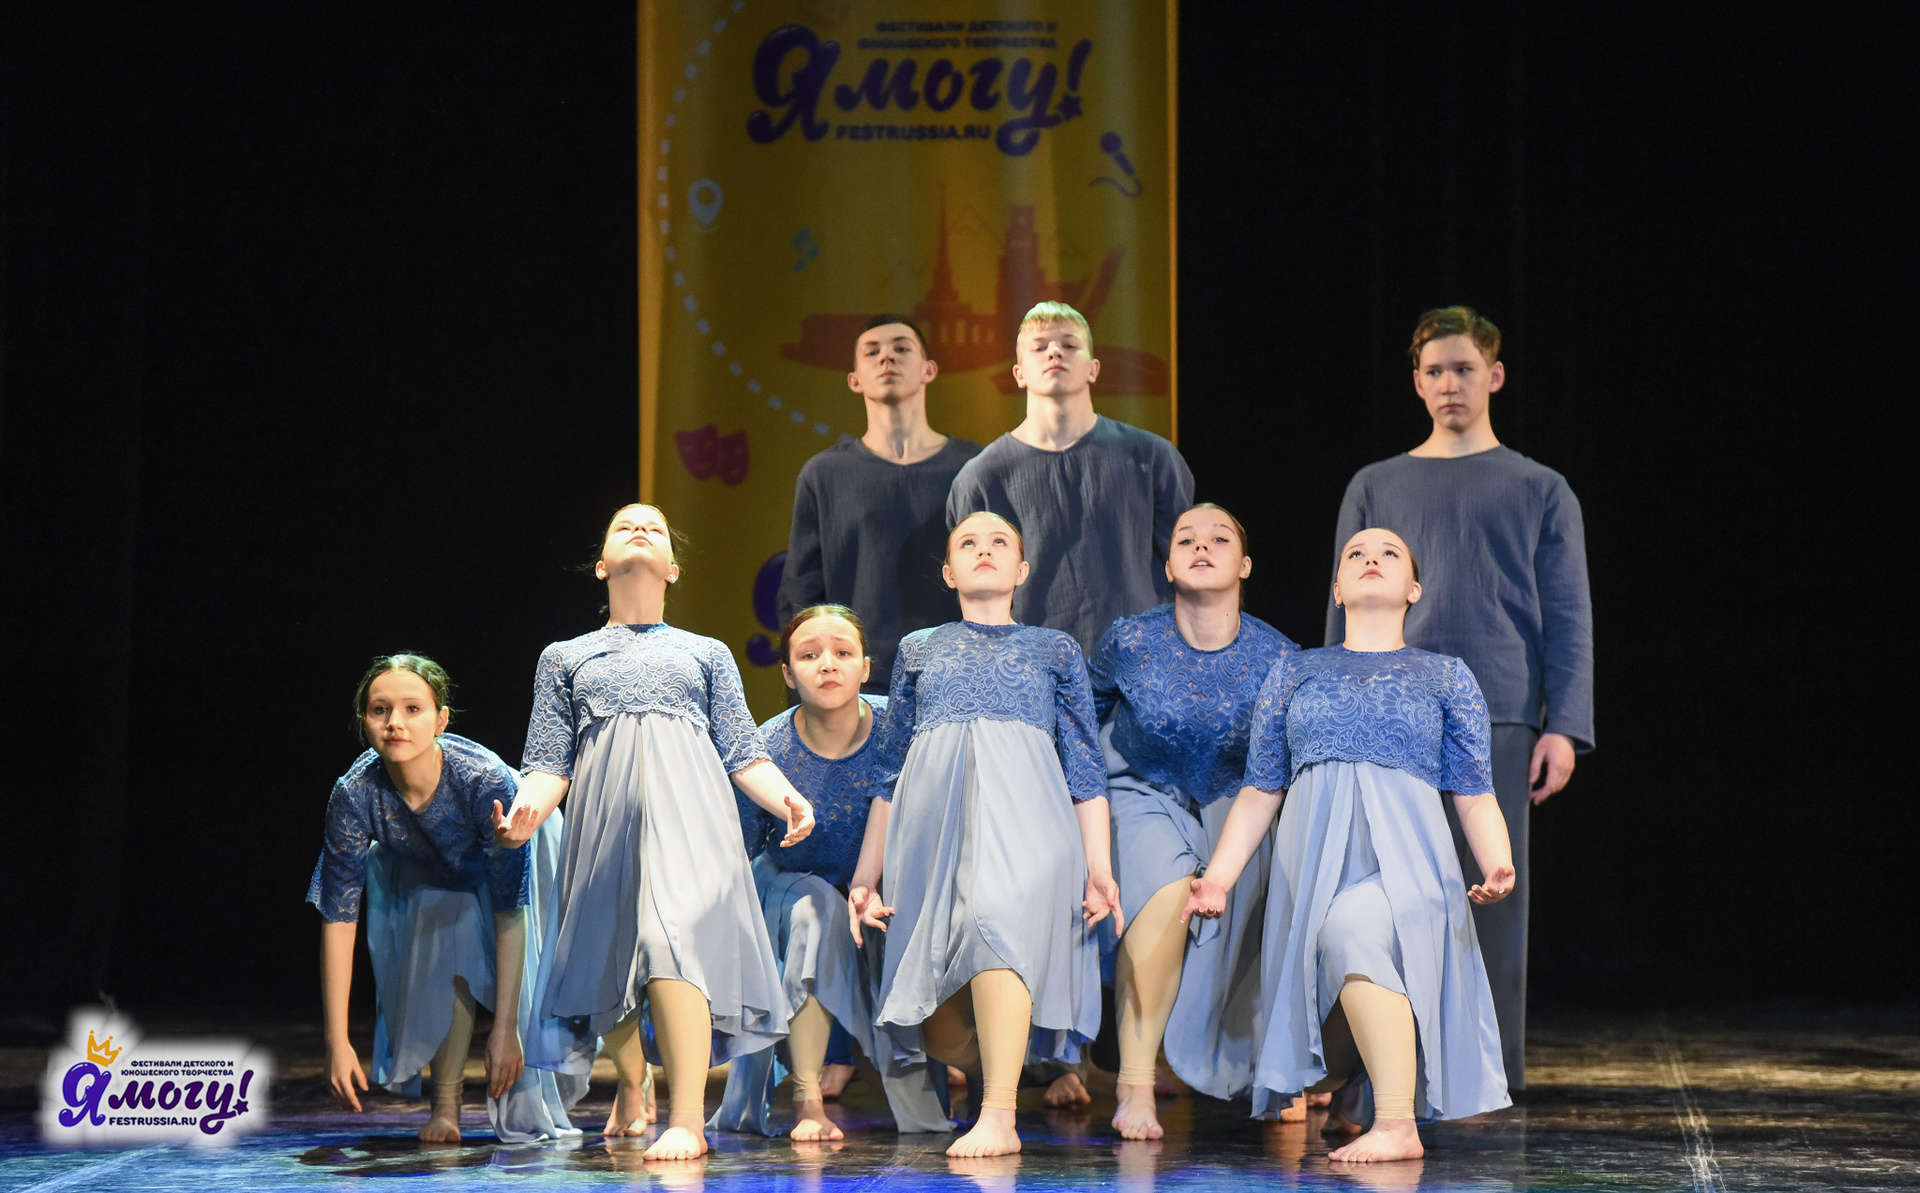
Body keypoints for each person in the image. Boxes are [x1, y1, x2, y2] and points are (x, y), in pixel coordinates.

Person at [492, 503, 818, 1161]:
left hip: (693, 823)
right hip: (606, 825)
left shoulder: (705, 652)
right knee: (610, 956)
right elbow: (548, 761)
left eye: (655, 527)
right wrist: (524, 814)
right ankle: (633, 1077)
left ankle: (687, 1119)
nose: (639, 529)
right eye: (623, 525)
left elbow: (742, 751)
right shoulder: (565, 657)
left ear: (672, 568)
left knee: (673, 945)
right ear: (601, 565)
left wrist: (789, 799)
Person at [1326, 305, 1594, 1089]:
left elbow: (1568, 612)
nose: (1450, 383)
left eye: (1464, 369)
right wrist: (1333, 706)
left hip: (1500, 707)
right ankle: (1375, 1072)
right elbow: (1343, 601)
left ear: (1494, 376)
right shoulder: (1376, 484)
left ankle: (1481, 1074)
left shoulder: (1539, 487)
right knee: (1381, 887)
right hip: (1386, 707)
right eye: (1436, 371)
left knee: (1489, 895)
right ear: (1416, 382)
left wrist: (1564, 726)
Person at [1188, 528, 1513, 1162]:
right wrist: (1219, 878)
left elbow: (1474, 791)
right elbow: (1260, 789)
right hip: (1313, 868)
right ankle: (1356, 1087)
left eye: (1389, 554)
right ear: (1337, 588)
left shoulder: (1445, 676)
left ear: (1413, 589)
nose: (1370, 559)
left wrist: (1497, 861)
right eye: (1355, 554)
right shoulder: (1294, 672)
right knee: (1334, 965)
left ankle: (1396, 1126)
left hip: (1409, 865)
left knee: (1353, 929)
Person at [850, 511, 1119, 1158]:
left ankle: (1000, 1113)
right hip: (932, 831)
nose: (984, 550)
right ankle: (1002, 1068)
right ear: (949, 572)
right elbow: (889, 769)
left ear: (1022, 569)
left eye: (1000, 542)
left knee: (996, 919)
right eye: (968, 543)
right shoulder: (919, 647)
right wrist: (865, 876)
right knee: (939, 1022)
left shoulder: (1054, 649)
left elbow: (1085, 768)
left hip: (1030, 819)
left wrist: (1100, 869)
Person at [1090, 504, 1299, 1140]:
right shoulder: (1129, 640)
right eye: (1186, 539)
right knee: (1165, 893)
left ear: (1246, 565)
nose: (1201, 546)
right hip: (1141, 786)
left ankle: (1267, 1066)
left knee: (1253, 906)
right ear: (1168, 566)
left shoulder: (1280, 656)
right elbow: (1078, 720)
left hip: (1237, 801)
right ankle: (1134, 1081)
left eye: (1219, 538)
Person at [309, 653, 579, 1143]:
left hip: (523, 847)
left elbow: (510, 908)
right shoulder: (354, 793)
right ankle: (446, 1106)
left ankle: (634, 1085)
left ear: (441, 720)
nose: (394, 723)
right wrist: (337, 1041)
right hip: (428, 868)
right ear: (363, 720)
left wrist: (505, 1029)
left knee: (556, 978)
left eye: (413, 709)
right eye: (379, 710)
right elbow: (339, 915)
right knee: (442, 938)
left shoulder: (484, 780)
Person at [713, 604, 951, 1141]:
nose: (827, 664)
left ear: (865, 667)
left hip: (884, 884)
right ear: (787, 673)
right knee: (815, 913)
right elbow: (742, 846)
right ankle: (807, 1097)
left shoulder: (900, 727)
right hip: (789, 881)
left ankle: (937, 1094)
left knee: (903, 918)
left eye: (843, 653)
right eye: (809, 655)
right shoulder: (768, 747)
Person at [945, 301, 1194, 659]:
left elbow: (1188, 571)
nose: (1054, 352)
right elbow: (971, 592)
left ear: (1094, 368)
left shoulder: (1151, 457)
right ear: (1018, 373)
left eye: (1069, 344)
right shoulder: (981, 477)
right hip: (1026, 670)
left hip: (1139, 667)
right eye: (1039, 346)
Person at [778, 315, 984, 693]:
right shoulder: (824, 475)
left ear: (929, 369)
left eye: (901, 348)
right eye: (872, 352)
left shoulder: (973, 469)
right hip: (858, 687)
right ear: (854, 379)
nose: (886, 357)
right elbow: (801, 596)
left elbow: (1001, 577)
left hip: (961, 676)